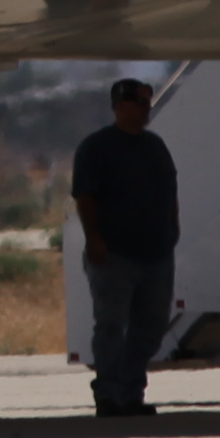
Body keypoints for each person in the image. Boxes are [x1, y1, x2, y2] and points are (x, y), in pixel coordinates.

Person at [64, 77, 178, 420]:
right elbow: (85, 197)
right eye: (141, 102)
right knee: (111, 325)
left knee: (152, 327)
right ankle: (109, 393)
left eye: (149, 102)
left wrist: (173, 229)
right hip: (114, 254)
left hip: (156, 254)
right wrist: (94, 239)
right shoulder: (96, 148)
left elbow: (170, 190)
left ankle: (132, 392)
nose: (147, 109)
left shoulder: (155, 146)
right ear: (121, 105)